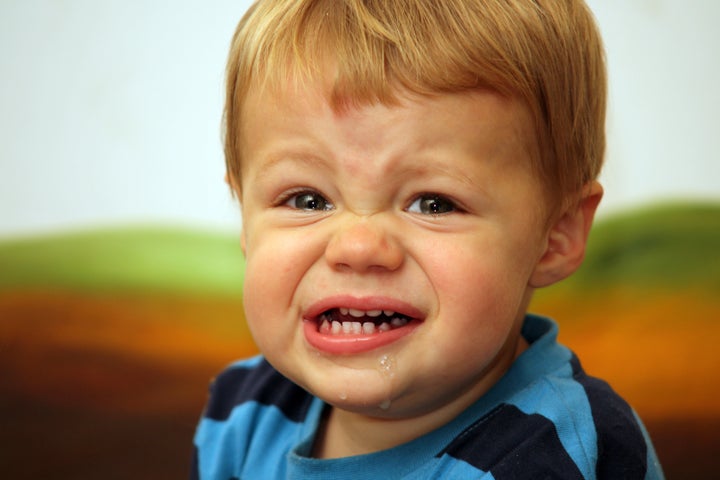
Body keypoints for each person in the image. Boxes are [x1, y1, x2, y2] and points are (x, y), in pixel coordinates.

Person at [192, 0, 664, 478]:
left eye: (433, 203)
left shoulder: (560, 454)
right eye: (307, 200)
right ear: (245, 219)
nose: (356, 247)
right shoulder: (242, 413)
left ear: (556, 234)